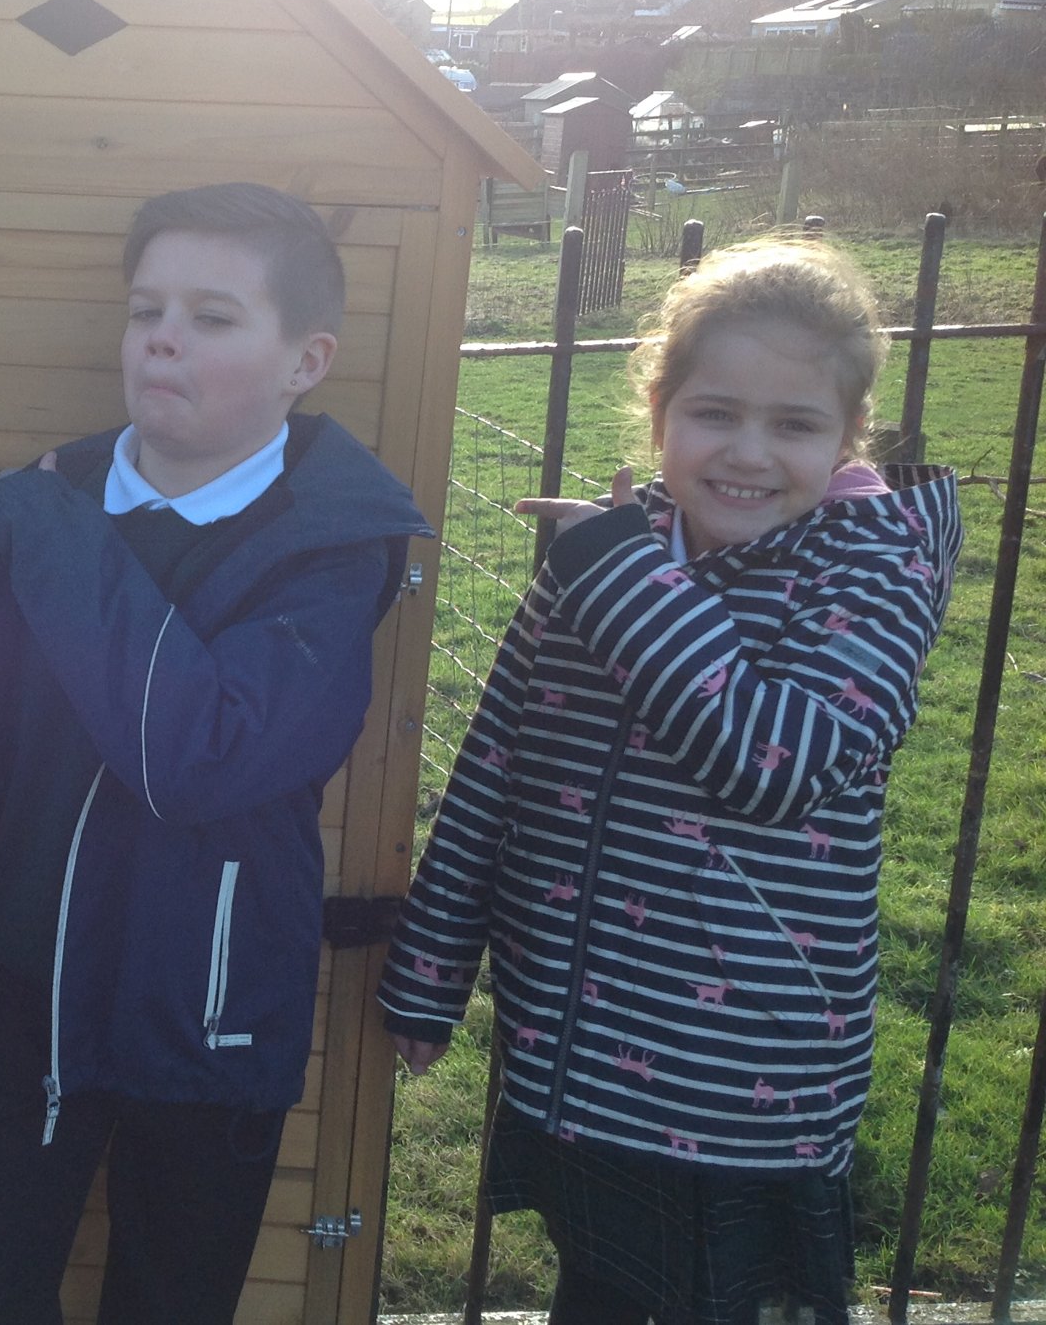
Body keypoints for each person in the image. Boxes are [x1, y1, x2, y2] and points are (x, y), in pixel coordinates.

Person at [0, 182, 432, 1323]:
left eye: (211, 316)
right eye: (144, 307)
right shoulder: (52, 494)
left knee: (169, 1304)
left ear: (306, 361)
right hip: (33, 984)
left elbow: (194, 752)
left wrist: (49, 526)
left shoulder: (335, 548)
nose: (160, 336)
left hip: (209, 1002)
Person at [378, 239, 961, 1325]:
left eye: (791, 425)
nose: (745, 453)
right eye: (712, 413)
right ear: (658, 417)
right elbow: (498, 758)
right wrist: (428, 968)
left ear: (845, 438)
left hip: (739, 1076)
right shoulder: (609, 555)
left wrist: (625, 578)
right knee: (594, 1292)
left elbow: (769, 763)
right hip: (579, 1046)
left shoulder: (874, 571)